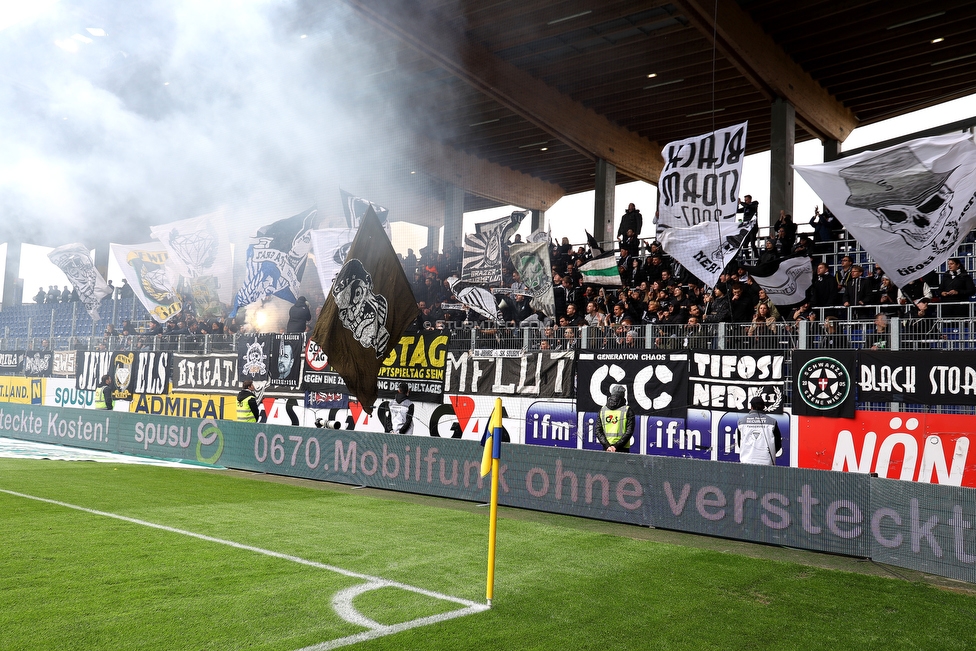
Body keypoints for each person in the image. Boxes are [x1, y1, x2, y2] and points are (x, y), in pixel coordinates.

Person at [735, 396, 781, 465]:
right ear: (764, 407)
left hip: (747, 461)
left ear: (751, 407)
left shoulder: (741, 422)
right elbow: (778, 444)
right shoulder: (772, 422)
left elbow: (739, 443)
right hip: (767, 462)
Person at [594, 384, 634, 453]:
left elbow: (598, 431)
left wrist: (607, 446)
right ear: (623, 395)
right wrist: (615, 447)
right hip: (622, 448)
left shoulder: (603, 410)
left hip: (607, 449)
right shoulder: (627, 410)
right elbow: (629, 432)